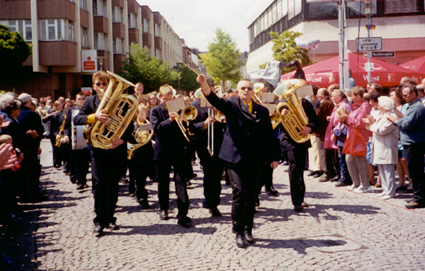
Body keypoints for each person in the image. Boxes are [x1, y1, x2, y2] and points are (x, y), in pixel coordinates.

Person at [197, 75, 280, 249]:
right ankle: (238, 231)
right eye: (243, 88)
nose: (246, 91)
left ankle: (249, 229)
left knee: (251, 196)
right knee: (239, 193)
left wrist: (273, 157)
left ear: (253, 91)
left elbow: (268, 136)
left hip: (255, 159)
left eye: (249, 88)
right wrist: (204, 84)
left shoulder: (262, 111)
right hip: (234, 158)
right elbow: (214, 99)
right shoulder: (232, 104)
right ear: (238, 91)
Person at [74, 71, 135, 236]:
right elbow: (77, 119)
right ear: (93, 86)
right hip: (98, 149)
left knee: (113, 186)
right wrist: (94, 117)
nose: (102, 87)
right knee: (99, 185)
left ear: (111, 85)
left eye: (104, 84)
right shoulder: (90, 101)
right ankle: (99, 221)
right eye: (98, 84)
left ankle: (110, 218)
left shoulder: (120, 101)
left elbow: (129, 126)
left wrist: (122, 140)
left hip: (117, 149)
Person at [150, 84, 193, 228]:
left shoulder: (179, 108)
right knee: (163, 182)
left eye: (170, 98)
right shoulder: (155, 110)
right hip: (162, 151)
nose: (167, 101)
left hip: (179, 150)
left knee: (181, 182)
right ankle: (164, 208)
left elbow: (188, 126)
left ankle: (183, 212)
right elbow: (157, 129)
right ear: (159, 98)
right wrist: (170, 120)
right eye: (164, 99)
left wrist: (183, 121)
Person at [276, 80, 319, 212]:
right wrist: (282, 113)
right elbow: (277, 115)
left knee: (300, 168)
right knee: (294, 167)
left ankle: (301, 196)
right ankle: (297, 201)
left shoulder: (305, 103)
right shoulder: (283, 104)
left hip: (302, 139)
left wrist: (309, 128)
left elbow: (315, 121)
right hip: (289, 139)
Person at [189, 79, 225, 217]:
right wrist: (203, 124)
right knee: (210, 172)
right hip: (203, 143)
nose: (211, 91)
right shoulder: (194, 106)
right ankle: (211, 201)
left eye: (213, 89)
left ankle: (214, 198)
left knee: (218, 173)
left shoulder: (219, 103)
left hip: (220, 142)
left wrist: (220, 115)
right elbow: (190, 127)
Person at [387, 84, 425, 209]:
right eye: (402, 95)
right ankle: (417, 196)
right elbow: (406, 120)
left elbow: (408, 124)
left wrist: (395, 120)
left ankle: (419, 198)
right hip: (410, 142)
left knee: (416, 172)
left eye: (405, 95)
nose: (403, 97)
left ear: (414, 94)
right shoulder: (412, 106)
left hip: (414, 143)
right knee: (414, 172)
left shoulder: (417, 107)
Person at [338, 87, 372, 193]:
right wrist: (345, 120)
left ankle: (365, 185)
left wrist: (347, 118)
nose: (351, 97)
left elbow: (360, 123)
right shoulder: (356, 106)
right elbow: (353, 121)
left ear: (358, 95)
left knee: (360, 160)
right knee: (350, 159)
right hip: (352, 136)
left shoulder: (365, 106)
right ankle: (356, 183)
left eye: (352, 95)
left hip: (360, 136)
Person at [365, 96, 398, 200]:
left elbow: (382, 130)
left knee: (388, 171)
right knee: (382, 169)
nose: (378, 106)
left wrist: (372, 125)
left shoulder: (390, 116)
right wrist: (373, 126)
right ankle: (385, 190)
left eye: (379, 104)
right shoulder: (382, 115)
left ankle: (391, 191)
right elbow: (375, 128)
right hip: (380, 146)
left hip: (387, 146)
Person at [17, 93, 44, 202]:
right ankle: (34, 195)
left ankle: (23, 195)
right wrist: (38, 145)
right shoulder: (32, 114)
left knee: (21, 172)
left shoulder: (15, 114)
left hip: (19, 147)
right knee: (32, 172)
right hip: (31, 147)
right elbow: (39, 132)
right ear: (28, 102)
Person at [127, 104, 154, 209]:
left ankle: (141, 193)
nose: (144, 116)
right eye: (142, 113)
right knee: (137, 176)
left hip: (146, 152)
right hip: (135, 153)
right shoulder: (133, 125)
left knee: (143, 176)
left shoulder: (148, 124)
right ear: (137, 114)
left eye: (145, 113)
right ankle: (141, 195)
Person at [64, 92, 90, 190]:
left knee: (85, 163)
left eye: (83, 98)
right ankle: (80, 181)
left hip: (86, 139)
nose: (81, 101)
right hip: (75, 139)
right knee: (77, 161)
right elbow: (66, 125)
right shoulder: (72, 110)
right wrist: (66, 135)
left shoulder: (89, 110)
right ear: (75, 100)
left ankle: (82, 179)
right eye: (79, 99)